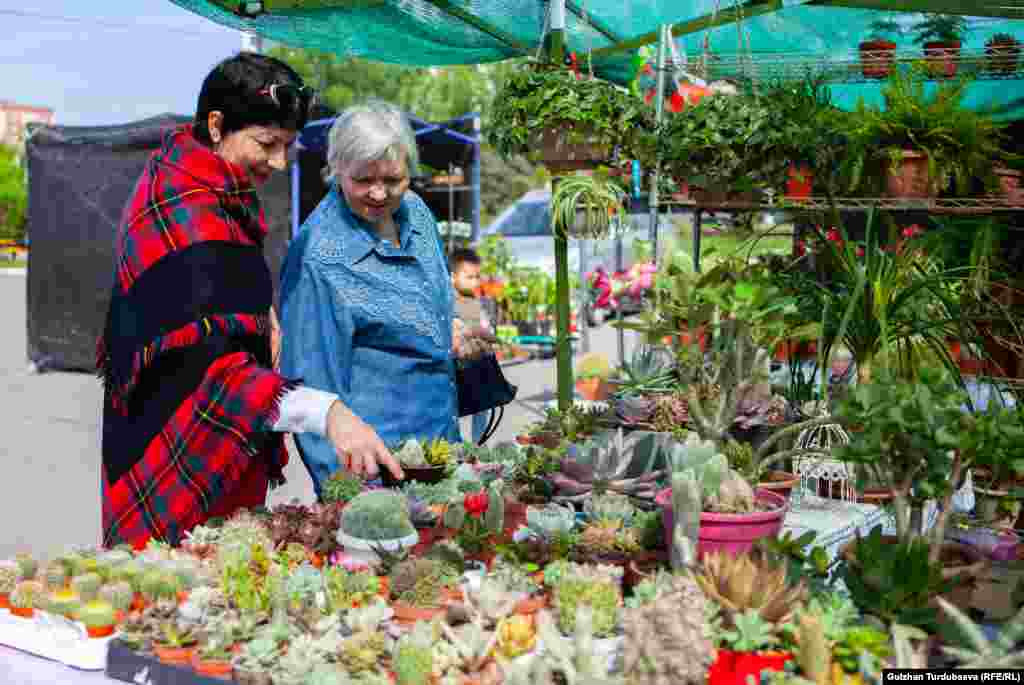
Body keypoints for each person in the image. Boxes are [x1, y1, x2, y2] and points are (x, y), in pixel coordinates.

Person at [97, 53, 403, 549]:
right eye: (267, 144)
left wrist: (263, 316)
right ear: (217, 125)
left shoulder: (209, 185)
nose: (280, 163)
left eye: (288, 146)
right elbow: (210, 371)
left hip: (223, 448)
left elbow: (222, 298)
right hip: (175, 453)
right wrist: (328, 414)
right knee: (170, 589)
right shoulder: (183, 208)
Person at [279, 100, 462, 497]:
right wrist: (349, 500)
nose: (380, 193)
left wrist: (454, 327)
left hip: (444, 452)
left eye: (393, 179)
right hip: (378, 477)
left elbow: (435, 297)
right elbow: (310, 389)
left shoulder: (415, 212)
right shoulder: (319, 256)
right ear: (337, 171)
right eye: (363, 180)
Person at [449, 248, 499, 443]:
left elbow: (483, 328)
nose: (474, 282)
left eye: (477, 277)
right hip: (457, 367)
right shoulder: (448, 302)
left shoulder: (472, 301)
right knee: (455, 412)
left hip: (476, 364)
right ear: (453, 277)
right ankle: (460, 449)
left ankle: (478, 449)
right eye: (469, 277)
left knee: (482, 409)